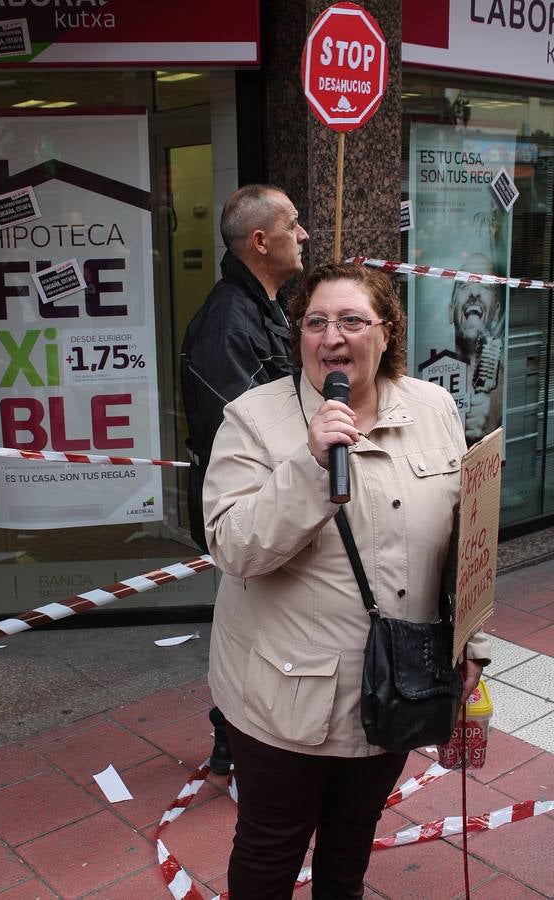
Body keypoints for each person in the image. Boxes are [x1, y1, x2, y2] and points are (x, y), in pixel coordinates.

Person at [203, 261, 490, 898]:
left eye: (353, 320)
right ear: (298, 335)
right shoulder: (253, 420)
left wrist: (468, 642)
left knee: (352, 837)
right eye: (316, 322)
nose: (332, 337)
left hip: (398, 688)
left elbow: (462, 538)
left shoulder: (435, 407)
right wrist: (309, 465)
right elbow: (233, 546)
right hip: (283, 699)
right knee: (269, 847)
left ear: (387, 333)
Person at [180, 184, 309, 775]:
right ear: (260, 241)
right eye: (293, 225)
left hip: (272, 507)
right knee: (249, 627)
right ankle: (237, 739)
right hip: (250, 513)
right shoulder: (229, 324)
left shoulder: (262, 305)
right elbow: (245, 439)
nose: (303, 234)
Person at [449, 253, 505, 443]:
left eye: (485, 285)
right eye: (465, 285)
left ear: (496, 311)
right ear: (451, 311)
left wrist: (491, 421)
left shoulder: (503, 385)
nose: (474, 293)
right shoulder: (428, 375)